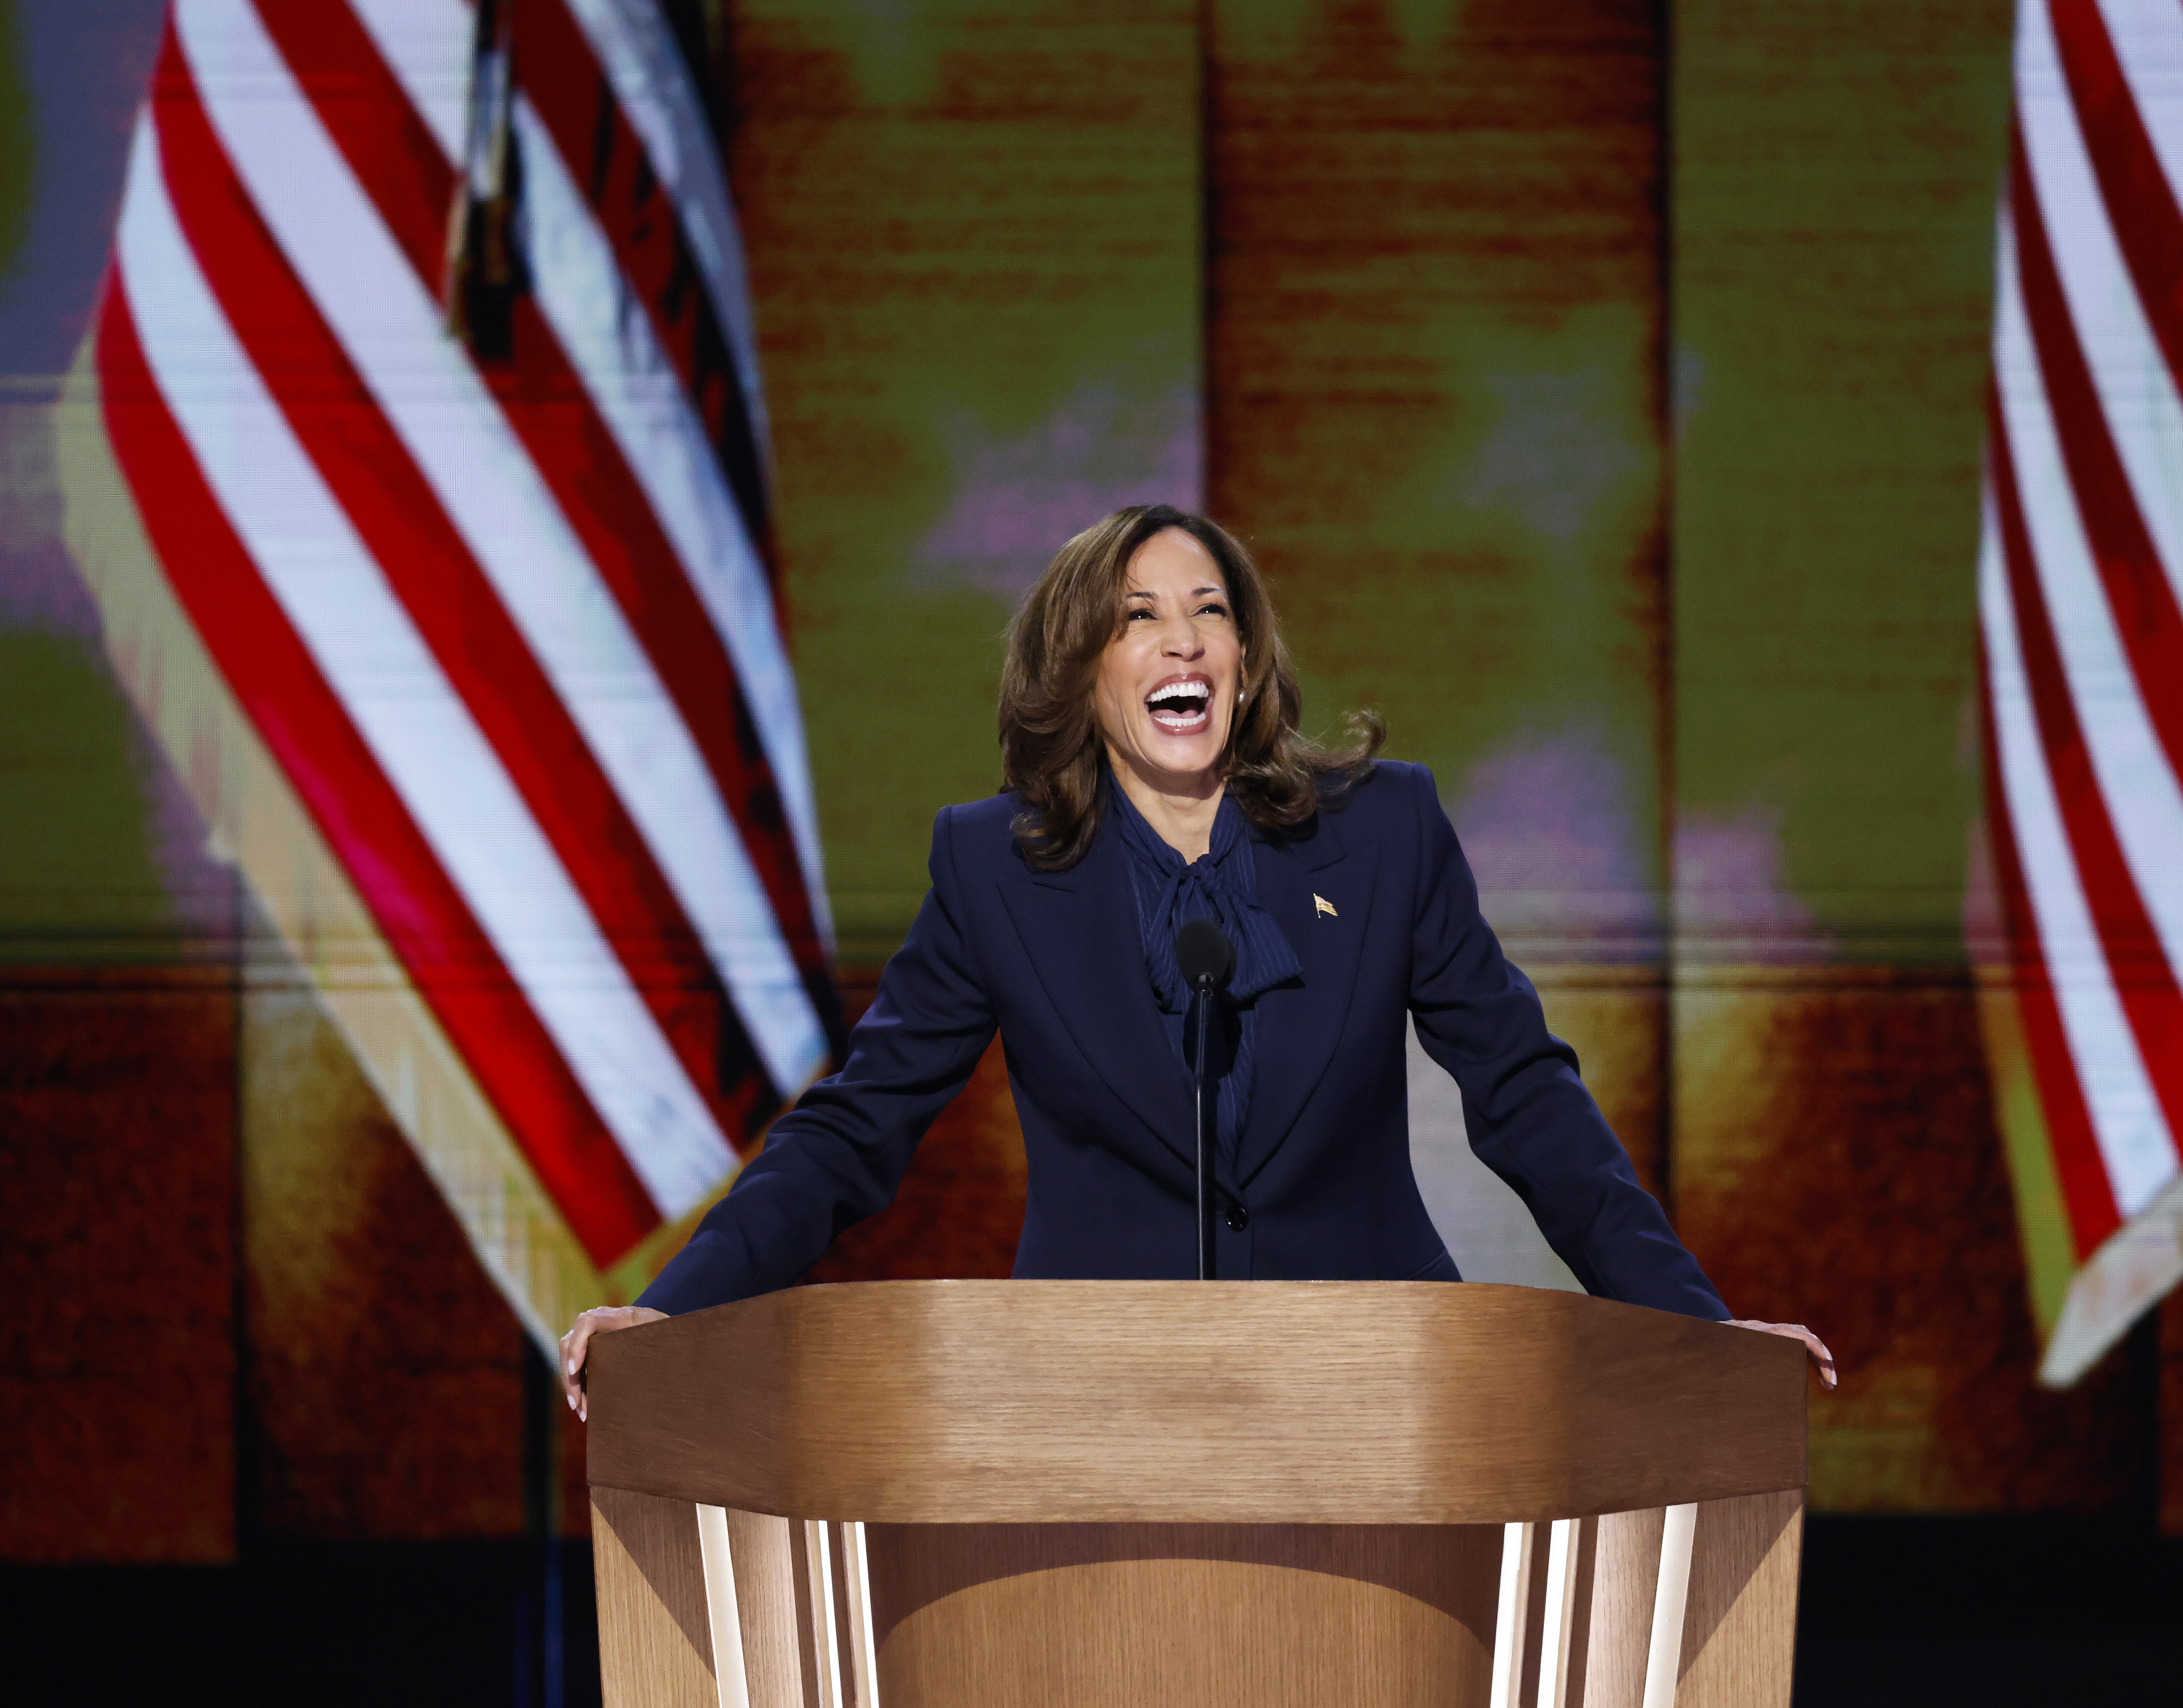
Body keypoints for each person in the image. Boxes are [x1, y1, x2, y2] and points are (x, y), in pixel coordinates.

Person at [560, 506, 1833, 1411]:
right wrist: (672, 1313)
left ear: (1242, 659)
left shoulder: (1382, 832)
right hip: (1097, 1406)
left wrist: (1697, 1335)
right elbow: (853, 1131)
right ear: (1083, 671)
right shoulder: (995, 873)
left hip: (1375, 1398)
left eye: (1209, 614)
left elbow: (1524, 1095)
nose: (1183, 643)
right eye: (1138, 619)